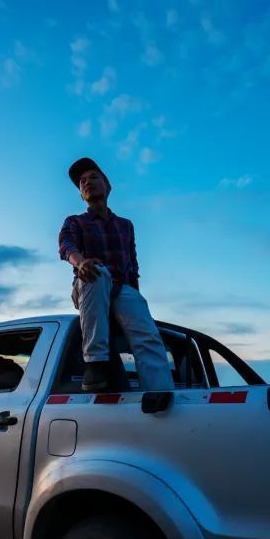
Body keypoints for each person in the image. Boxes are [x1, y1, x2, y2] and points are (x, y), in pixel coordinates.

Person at [58, 157, 175, 393]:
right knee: (97, 272)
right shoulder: (75, 221)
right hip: (88, 284)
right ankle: (95, 363)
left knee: (148, 336)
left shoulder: (126, 225)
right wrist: (80, 263)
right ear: (81, 195)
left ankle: (160, 393)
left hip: (122, 288)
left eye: (93, 177)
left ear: (107, 186)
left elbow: (133, 265)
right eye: (81, 182)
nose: (87, 183)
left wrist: (136, 300)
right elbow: (66, 246)